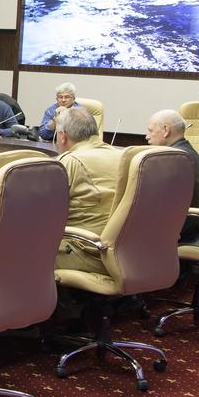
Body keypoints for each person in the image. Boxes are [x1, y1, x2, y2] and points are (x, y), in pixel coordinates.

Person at [54, 107, 124, 274]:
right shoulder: (122, 156)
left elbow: (46, 215)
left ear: (63, 136)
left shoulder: (70, 161)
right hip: (124, 253)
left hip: (88, 252)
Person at [145, 109, 199, 245]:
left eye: (150, 131)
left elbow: (156, 199)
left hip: (190, 235)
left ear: (166, 130)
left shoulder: (175, 157)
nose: (147, 136)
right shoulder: (185, 150)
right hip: (197, 226)